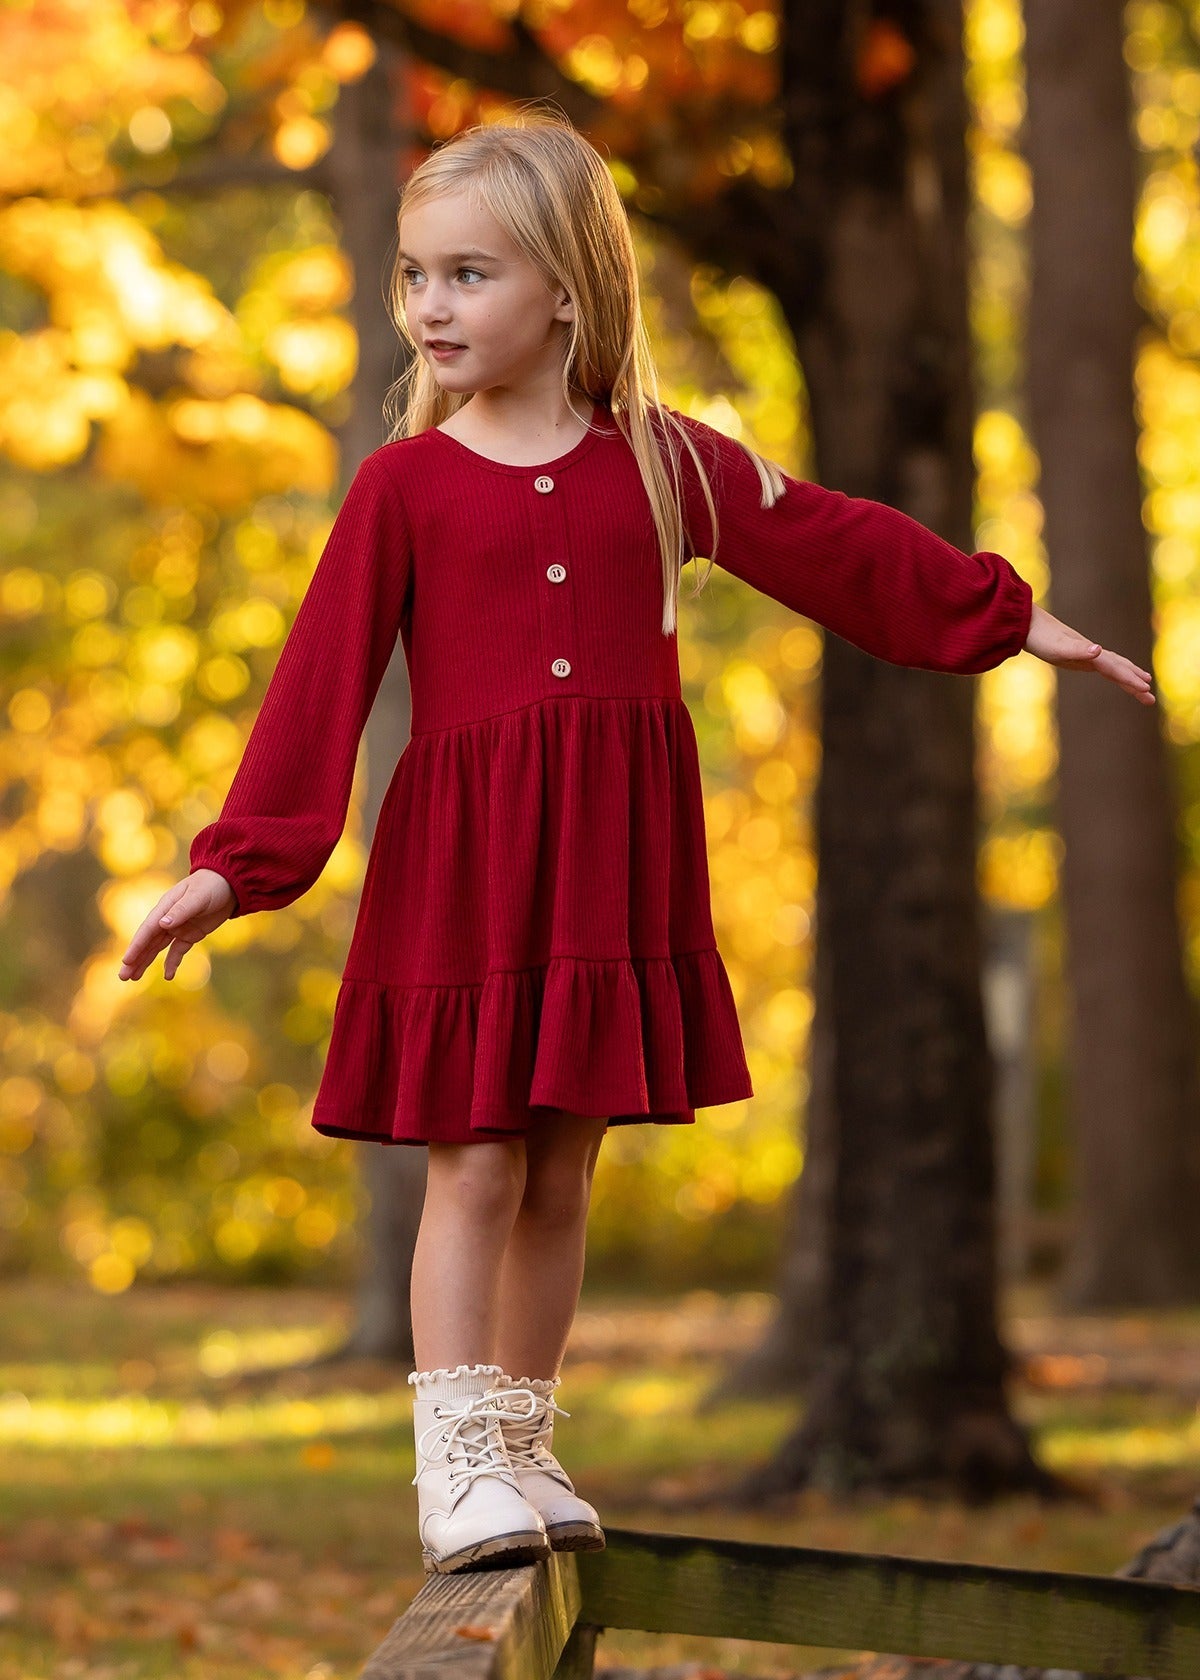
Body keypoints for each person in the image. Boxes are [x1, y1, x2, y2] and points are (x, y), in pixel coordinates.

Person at [117, 107, 1154, 1576]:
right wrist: (238, 866)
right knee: (472, 1160)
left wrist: (1012, 617)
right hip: (470, 870)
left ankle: (523, 1438)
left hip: (605, 863)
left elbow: (837, 543)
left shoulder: (663, 464)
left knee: (560, 1160)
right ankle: (454, 1459)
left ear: (567, 292)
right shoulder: (403, 486)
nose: (429, 305)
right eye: (416, 275)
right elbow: (320, 683)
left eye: (467, 274)